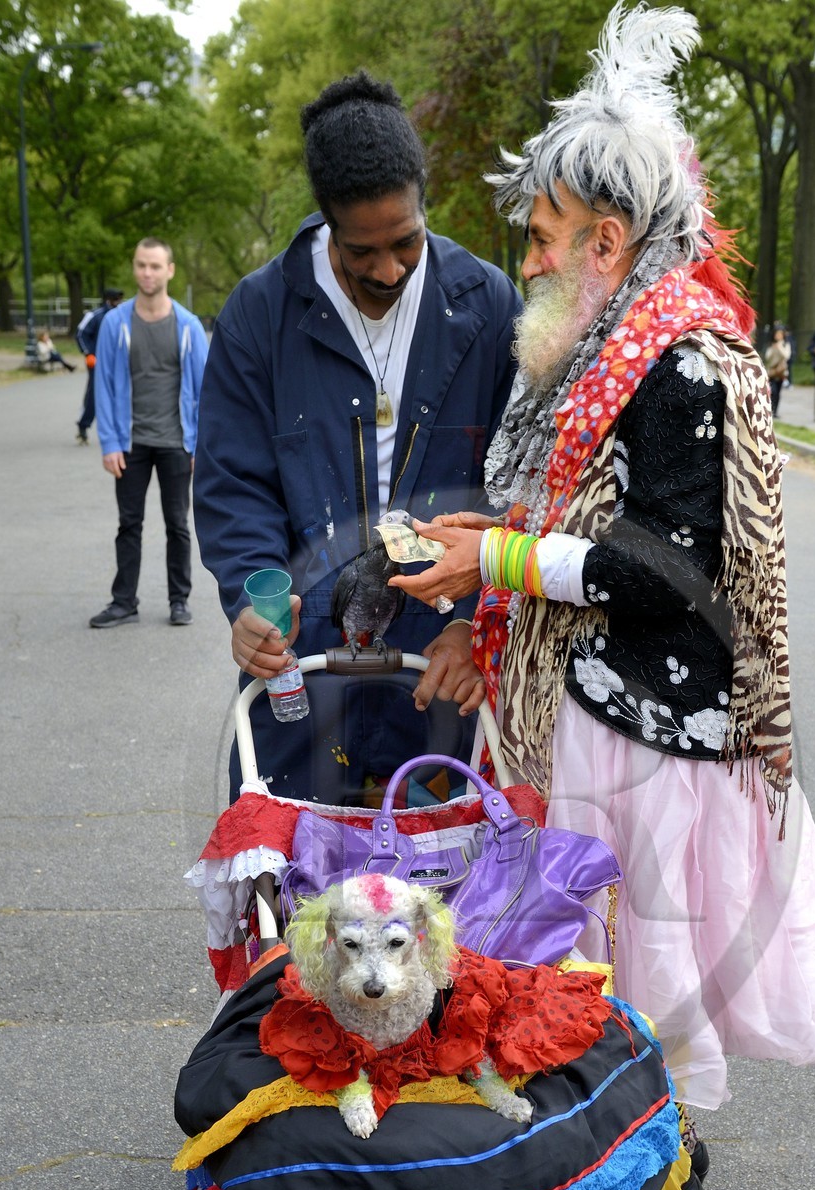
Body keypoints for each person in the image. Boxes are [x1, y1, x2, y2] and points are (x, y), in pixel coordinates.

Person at [391, 3, 815, 1129]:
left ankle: (646, 1158)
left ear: (606, 241)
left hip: (643, 744)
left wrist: (501, 560)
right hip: (567, 715)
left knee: (633, 982)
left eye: (542, 236)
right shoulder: (590, 346)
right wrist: (487, 586)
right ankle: (591, 1146)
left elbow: (663, 574)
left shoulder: (683, 363)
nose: (527, 261)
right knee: (569, 968)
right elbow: (553, 519)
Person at [193, 73, 521, 804]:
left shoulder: (490, 306)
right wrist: (251, 598)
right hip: (301, 673)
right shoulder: (259, 314)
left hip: (443, 660)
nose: (389, 268)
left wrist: (475, 621)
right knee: (297, 895)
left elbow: (521, 486)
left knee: (445, 897)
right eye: (361, 251)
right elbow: (232, 483)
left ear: (424, 199)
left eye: (406, 242)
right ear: (326, 222)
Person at [90, 238, 209, 629]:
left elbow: (206, 392)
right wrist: (109, 442)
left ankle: (179, 600)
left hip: (177, 443)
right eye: (141, 265)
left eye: (155, 266)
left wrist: (200, 445)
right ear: (134, 267)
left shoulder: (188, 326)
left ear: (170, 270)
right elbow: (103, 387)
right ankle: (123, 602)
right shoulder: (115, 323)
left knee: (177, 523)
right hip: (130, 444)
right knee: (129, 524)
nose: (147, 273)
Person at [74, 288, 124, 444]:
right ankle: (83, 425)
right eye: (116, 299)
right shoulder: (95, 315)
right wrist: (88, 353)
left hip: (117, 362)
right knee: (95, 395)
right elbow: (80, 333)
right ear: (109, 299)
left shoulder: (122, 315)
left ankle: (120, 430)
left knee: (121, 393)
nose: (119, 302)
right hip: (97, 361)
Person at [763, 324, 789, 417]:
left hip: (781, 371)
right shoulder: (771, 345)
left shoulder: (785, 344)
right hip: (772, 371)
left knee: (778, 392)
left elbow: (786, 356)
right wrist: (773, 348)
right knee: (772, 391)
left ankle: (776, 411)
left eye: (780, 334)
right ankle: (770, 409)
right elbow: (767, 357)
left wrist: (780, 347)